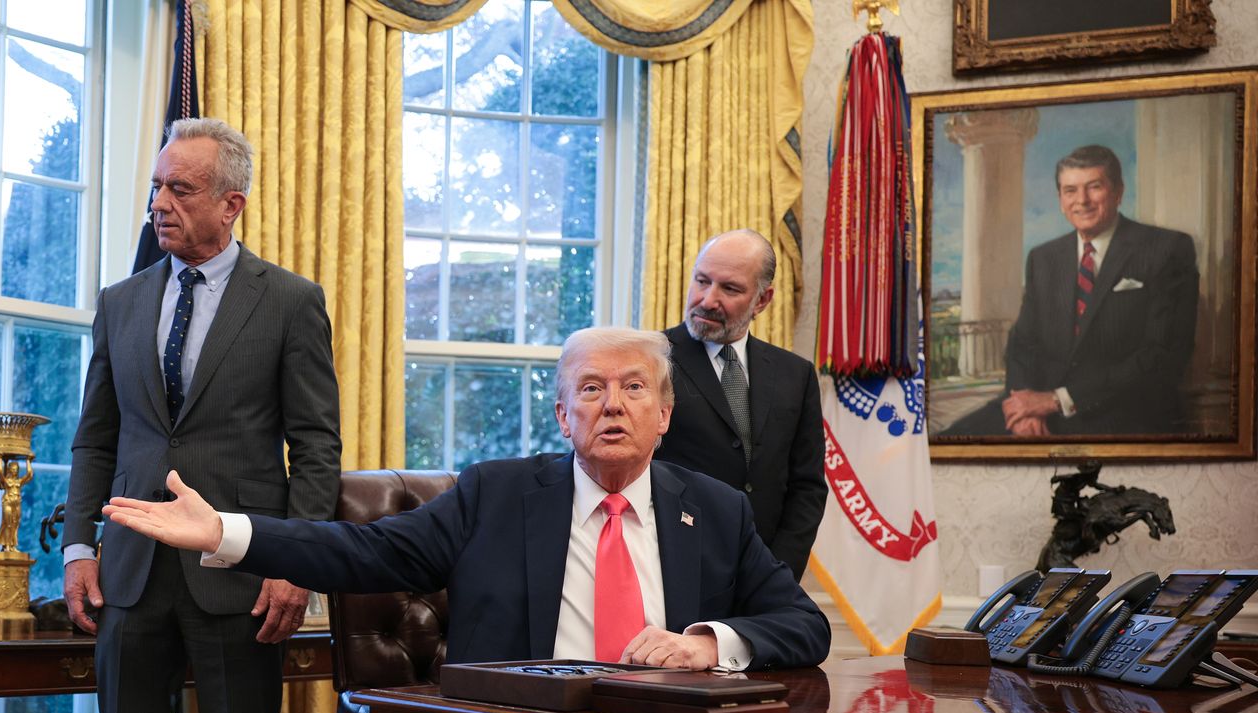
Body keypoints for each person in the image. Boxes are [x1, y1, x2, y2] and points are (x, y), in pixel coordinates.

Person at [60, 117, 341, 713]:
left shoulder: (290, 302)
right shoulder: (121, 302)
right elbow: (97, 437)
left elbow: (316, 447)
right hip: (132, 576)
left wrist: (296, 561)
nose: (160, 204)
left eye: (181, 190)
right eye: (156, 187)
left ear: (232, 203)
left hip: (241, 576)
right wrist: (78, 546)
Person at [104, 326, 830, 674]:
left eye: (634, 388)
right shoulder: (496, 494)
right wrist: (224, 532)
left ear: (664, 415)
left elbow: (803, 626)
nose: (613, 404)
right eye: (590, 388)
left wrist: (707, 643)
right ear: (562, 416)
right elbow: (362, 551)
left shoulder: (716, 509)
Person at [943, 144, 1199, 437]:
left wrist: (1056, 400)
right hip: (1040, 408)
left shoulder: (1166, 249)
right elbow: (1022, 344)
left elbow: (1162, 356)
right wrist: (1025, 406)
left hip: (1121, 412)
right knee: (945, 443)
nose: (1082, 201)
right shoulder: (1043, 258)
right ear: (1060, 200)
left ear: (1118, 192)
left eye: (1094, 187)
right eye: (1070, 191)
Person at [659, 229, 825, 582]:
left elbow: (807, 487)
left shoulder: (795, 374)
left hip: (763, 575)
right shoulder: (650, 361)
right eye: (702, 281)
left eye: (730, 289)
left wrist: (778, 573)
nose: (708, 299)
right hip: (672, 570)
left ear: (762, 300)